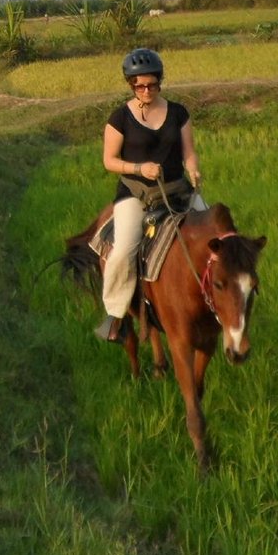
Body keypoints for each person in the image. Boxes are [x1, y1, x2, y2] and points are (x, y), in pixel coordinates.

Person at [95, 48, 208, 342]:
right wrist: (138, 167)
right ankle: (115, 315)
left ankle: (217, 299)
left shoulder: (178, 112)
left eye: (152, 84)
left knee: (213, 236)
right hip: (136, 193)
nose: (146, 90)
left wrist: (193, 170)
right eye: (139, 85)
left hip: (176, 189)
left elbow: (189, 153)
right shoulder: (120, 117)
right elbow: (109, 160)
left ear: (160, 82)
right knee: (123, 251)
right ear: (131, 85)